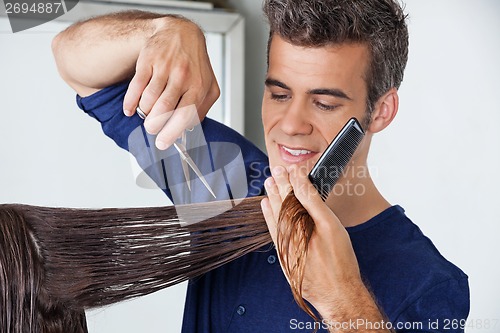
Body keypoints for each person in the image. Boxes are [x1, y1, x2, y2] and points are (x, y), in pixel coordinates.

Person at [52, 0, 470, 332]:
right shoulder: (223, 181)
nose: (290, 126)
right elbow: (74, 62)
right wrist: (164, 31)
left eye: (324, 103)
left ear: (380, 111)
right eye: (280, 94)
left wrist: (343, 304)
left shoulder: (428, 282)